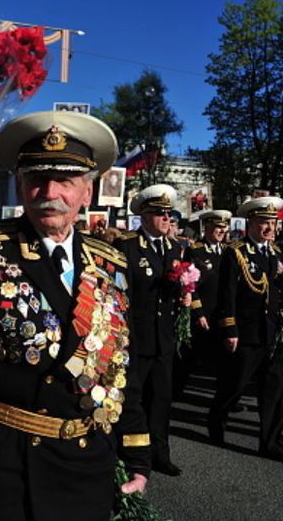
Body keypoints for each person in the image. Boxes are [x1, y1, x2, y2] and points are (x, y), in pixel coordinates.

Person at [0, 111, 150, 520]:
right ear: (20, 185)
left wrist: (137, 451)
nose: (48, 192)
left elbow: (121, 360)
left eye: (66, 182)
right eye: (36, 179)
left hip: (86, 463)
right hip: (6, 464)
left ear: (87, 193)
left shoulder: (111, 263)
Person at [207, 196, 283, 464]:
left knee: (274, 389)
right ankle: (216, 419)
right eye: (264, 223)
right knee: (234, 386)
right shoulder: (236, 251)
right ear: (251, 223)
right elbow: (227, 294)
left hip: (270, 332)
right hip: (246, 332)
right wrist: (230, 329)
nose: (269, 228)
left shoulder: (273, 254)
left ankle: (272, 444)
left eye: (273, 223)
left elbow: (273, 291)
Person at [115, 184, 187, 477]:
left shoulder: (173, 246)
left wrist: (183, 292)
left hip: (163, 338)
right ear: (144, 217)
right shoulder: (128, 246)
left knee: (161, 399)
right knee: (132, 400)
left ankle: (160, 453)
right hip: (137, 336)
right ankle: (131, 456)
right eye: (160, 214)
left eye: (168, 214)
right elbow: (121, 296)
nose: (166, 219)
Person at [174, 210, 231, 400]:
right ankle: (175, 390)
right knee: (189, 355)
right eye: (217, 227)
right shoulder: (196, 250)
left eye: (224, 227)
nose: (221, 231)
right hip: (203, 311)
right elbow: (190, 284)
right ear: (206, 228)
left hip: (222, 312)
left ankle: (225, 397)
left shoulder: (229, 251)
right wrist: (198, 312)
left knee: (224, 359)